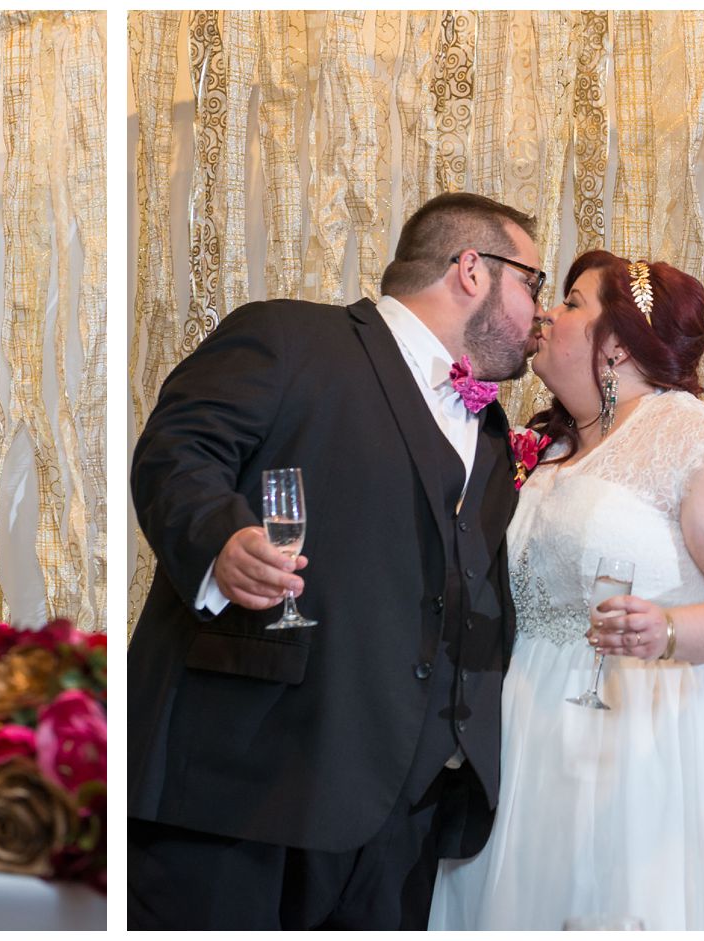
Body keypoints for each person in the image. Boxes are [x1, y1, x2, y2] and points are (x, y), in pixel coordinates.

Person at [127, 192, 544, 929]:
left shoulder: (488, 426)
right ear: (472, 270)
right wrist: (221, 540)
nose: (539, 312)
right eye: (533, 283)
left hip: (403, 815)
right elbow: (178, 451)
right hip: (243, 786)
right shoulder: (289, 337)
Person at [429, 252, 704, 929]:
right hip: (534, 737)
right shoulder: (548, 449)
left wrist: (671, 630)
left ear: (616, 342)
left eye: (574, 301)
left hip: (657, 743)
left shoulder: (691, 436)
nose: (549, 312)